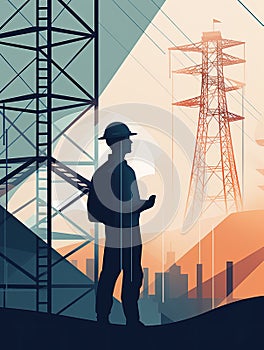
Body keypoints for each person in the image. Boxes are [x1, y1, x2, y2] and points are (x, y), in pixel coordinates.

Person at [87, 122, 156, 326]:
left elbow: (94, 211)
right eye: (127, 139)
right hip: (129, 235)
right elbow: (127, 205)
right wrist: (143, 206)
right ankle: (132, 321)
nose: (131, 143)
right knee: (132, 277)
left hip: (115, 236)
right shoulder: (124, 173)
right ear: (119, 143)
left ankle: (102, 319)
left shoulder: (101, 173)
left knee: (109, 276)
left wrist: (114, 217)